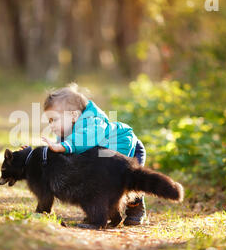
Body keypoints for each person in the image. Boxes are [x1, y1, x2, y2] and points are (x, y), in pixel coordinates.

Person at [41, 83, 147, 225]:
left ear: (73, 115)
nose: (51, 125)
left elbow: (84, 138)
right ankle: (100, 211)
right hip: (105, 160)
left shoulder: (92, 123)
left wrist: (64, 146)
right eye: (49, 121)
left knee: (130, 182)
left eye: (55, 119)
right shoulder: (65, 135)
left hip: (129, 151)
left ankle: (136, 207)